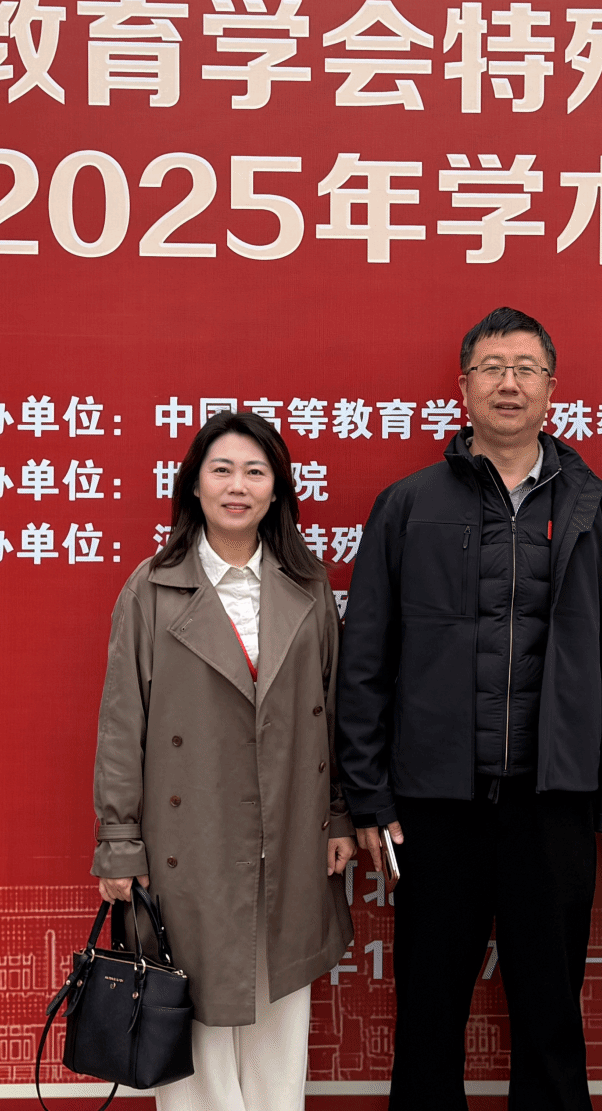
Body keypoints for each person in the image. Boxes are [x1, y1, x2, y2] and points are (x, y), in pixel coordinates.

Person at [335, 307, 602, 1111]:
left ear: (552, 387)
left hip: (552, 802)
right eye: (493, 367)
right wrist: (367, 794)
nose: (510, 383)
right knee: (428, 1013)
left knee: (551, 1015)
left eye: (526, 368)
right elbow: (365, 659)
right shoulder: (408, 504)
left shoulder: (588, 503)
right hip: (436, 805)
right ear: (464, 384)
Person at [91, 410, 357, 1111]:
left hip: (288, 828)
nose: (238, 486)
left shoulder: (307, 585)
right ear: (194, 484)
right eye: (222, 470)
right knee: (193, 1008)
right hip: (191, 836)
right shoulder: (151, 587)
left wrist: (337, 815)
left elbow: (333, 710)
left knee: (280, 1009)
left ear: (277, 489)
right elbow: (122, 723)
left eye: (255, 471)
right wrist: (119, 841)